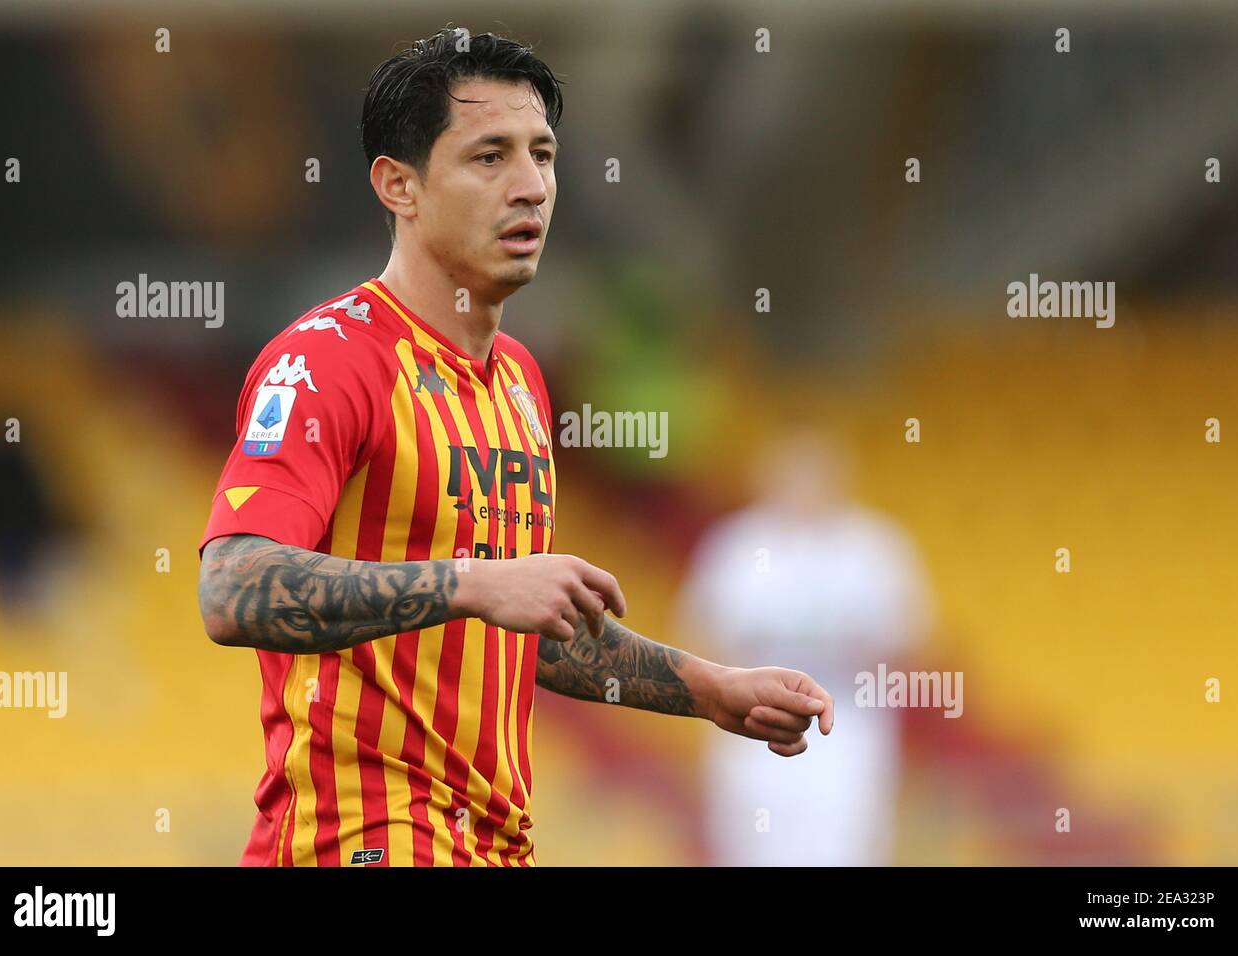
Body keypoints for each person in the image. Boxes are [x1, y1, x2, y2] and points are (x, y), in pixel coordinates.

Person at [196, 28, 834, 867]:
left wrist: (712, 691)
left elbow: (511, 627)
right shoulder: (327, 362)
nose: (531, 186)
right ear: (400, 186)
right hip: (358, 841)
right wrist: (472, 582)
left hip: (493, 845)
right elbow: (232, 587)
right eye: (489, 157)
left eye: (544, 155)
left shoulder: (520, 384)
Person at [676, 429, 931, 865]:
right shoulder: (737, 546)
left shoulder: (872, 548)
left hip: (847, 726)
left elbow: (910, 640)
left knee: (843, 846)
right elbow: (698, 636)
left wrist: (842, 648)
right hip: (752, 728)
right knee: (751, 847)